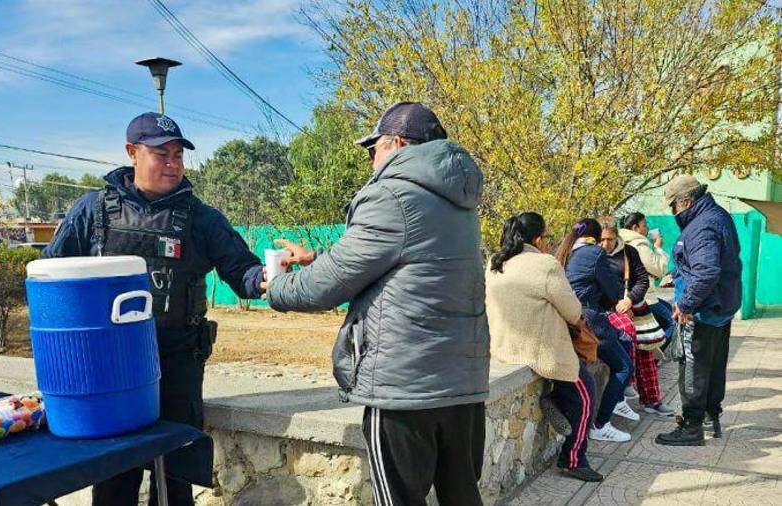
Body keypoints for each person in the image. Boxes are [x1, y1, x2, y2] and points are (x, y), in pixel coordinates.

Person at [266, 102, 489, 505]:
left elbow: (326, 287)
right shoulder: (459, 199)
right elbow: (411, 263)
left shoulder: (392, 194)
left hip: (406, 389)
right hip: (461, 385)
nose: (371, 161)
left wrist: (277, 286)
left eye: (373, 150)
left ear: (398, 143)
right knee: (462, 496)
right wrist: (317, 258)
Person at [43, 112, 265, 506]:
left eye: (178, 155)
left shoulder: (201, 218)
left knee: (176, 475)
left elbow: (243, 272)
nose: (173, 163)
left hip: (177, 360)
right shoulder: (92, 212)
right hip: (110, 367)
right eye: (162, 154)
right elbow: (52, 278)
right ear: (132, 152)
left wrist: (274, 277)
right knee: (114, 476)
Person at [487, 212, 602, 482]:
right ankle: (573, 459)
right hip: (540, 351)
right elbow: (573, 311)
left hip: (504, 347)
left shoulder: (495, 261)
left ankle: (556, 399)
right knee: (586, 395)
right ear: (538, 239)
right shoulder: (545, 265)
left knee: (574, 389)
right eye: (547, 237)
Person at [656, 175, 742, 446]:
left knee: (692, 367)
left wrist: (685, 304)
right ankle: (709, 419)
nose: (672, 213)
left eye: (673, 206)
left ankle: (692, 427)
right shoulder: (717, 216)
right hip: (720, 306)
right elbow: (703, 262)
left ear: (686, 201)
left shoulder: (701, 226)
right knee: (714, 365)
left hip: (702, 309)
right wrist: (676, 273)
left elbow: (706, 272)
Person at [555, 218, 635, 443]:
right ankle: (601, 424)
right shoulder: (594, 253)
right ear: (596, 237)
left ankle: (618, 401)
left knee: (624, 341)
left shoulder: (563, 251)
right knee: (624, 367)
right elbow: (614, 290)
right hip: (590, 324)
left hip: (567, 323)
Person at [599, 217, 674, 418]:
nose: (606, 244)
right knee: (626, 336)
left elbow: (642, 280)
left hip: (634, 307)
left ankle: (652, 400)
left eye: (610, 239)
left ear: (617, 236)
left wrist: (630, 300)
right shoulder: (594, 255)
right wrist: (617, 305)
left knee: (647, 353)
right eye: (602, 239)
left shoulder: (629, 253)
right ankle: (627, 384)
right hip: (609, 310)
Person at [619, 212, 676, 348]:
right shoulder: (639, 245)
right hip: (644, 296)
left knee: (669, 308)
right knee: (672, 321)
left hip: (630, 294)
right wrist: (658, 248)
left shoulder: (621, 242)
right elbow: (659, 269)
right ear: (635, 228)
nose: (647, 228)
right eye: (644, 225)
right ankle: (655, 354)